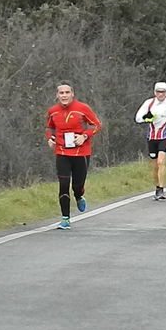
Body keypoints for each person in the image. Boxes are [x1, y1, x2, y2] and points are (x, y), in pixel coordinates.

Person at [46, 82, 102, 229]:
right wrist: (50, 138)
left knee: (77, 185)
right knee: (63, 185)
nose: (64, 96)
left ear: (72, 94)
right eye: (61, 93)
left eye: (67, 93)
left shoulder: (83, 108)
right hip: (62, 152)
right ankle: (65, 219)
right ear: (57, 95)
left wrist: (84, 136)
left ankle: (78, 195)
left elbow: (97, 125)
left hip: (81, 152)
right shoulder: (53, 111)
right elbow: (49, 127)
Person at [135, 82, 166, 200]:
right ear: (154, 92)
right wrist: (145, 117)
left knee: (161, 162)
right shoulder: (149, 103)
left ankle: (161, 189)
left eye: (163, 92)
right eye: (158, 92)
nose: (160, 94)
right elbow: (137, 118)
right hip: (152, 137)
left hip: (165, 136)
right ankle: (157, 187)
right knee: (154, 165)